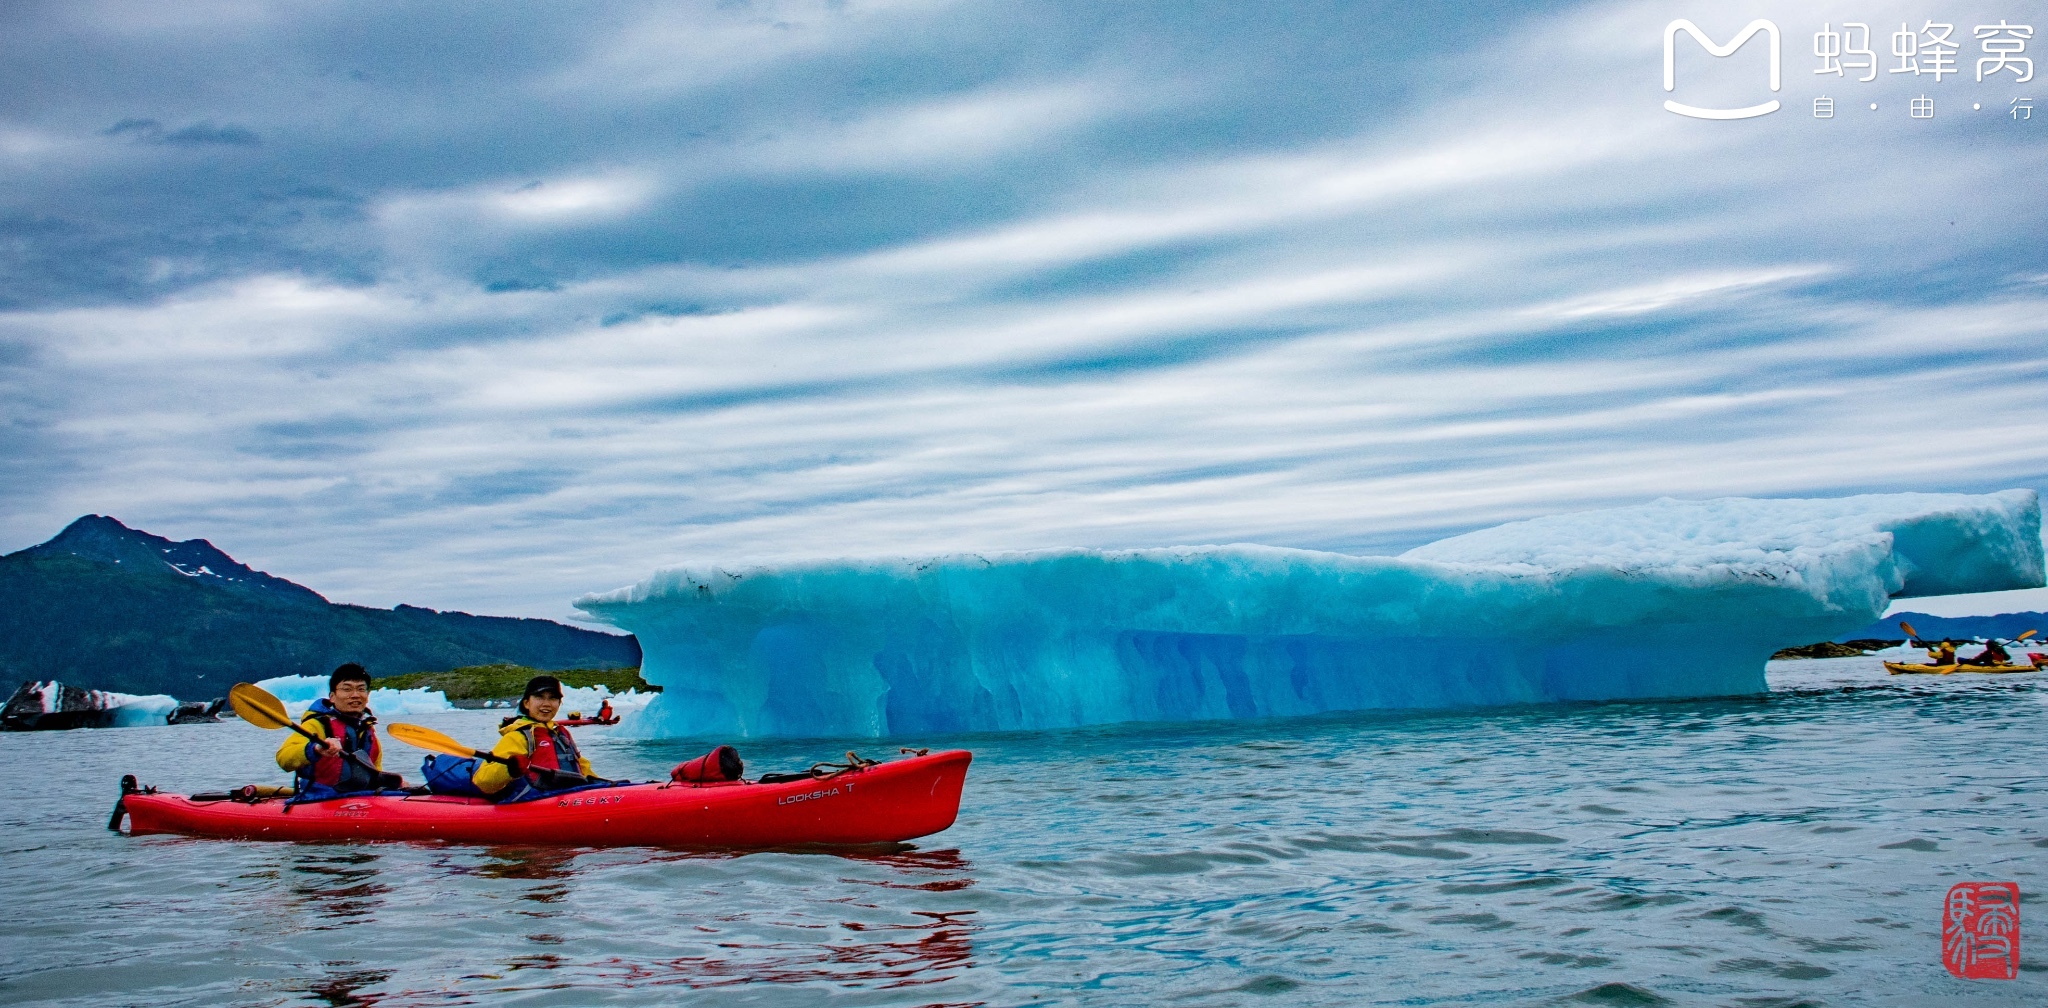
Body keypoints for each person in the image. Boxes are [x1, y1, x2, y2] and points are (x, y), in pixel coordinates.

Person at [275, 663, 403, 797]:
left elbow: (375, 772)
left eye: (361, 689)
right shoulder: (317, 725)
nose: (355, 695)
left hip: (360, 800)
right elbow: (283, 758)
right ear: (332, 696)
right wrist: (316, 749)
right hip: (318, 799)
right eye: (347, 689)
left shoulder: (367, 731)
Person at [471, 675, 598, 801]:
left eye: (553, 698)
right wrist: (509, 769)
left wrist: (605, 785)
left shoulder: (561, 733)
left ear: (559, 703)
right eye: (539, 697)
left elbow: (582, 767)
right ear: (526, 703)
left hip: (571, 796)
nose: (546, 704)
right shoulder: (519, 736)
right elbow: (482, 781)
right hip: (537, 801)